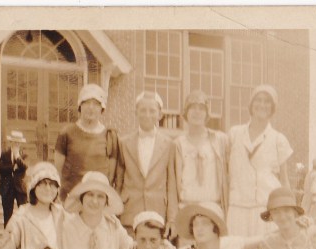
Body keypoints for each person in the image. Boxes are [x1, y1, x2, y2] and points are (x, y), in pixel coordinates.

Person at [227, 84, 293, 238]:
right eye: (258, 100)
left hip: (264, 211)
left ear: (272, 108)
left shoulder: (278, 139)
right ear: (251, 105)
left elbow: (284, 180)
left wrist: (290, 212)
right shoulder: (234, 134)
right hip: (237, 209)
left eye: (267, 101)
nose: (262, 105)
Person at [114, 91, 177, 237]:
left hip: (158, 212)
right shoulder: (124, 143)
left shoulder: (169, 144)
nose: (147, 115)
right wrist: (116, 213)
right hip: (130, 212)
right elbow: (119, 181)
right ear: (136, 113)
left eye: (152, 111)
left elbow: (171, 185)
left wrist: (172, 219)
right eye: (143, 110)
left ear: (160, 114)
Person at [172, 91, 230, 234]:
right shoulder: (178, 144)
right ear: (186, 112)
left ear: (207, 113)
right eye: (193, 107)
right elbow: (173, 184)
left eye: (201, 108)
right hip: (186, 208)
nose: (197, 112)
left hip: (213, 208)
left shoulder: (220, 140)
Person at [54, 84, 119, 201]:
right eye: (86, 103)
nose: (91, 107)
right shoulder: (66, 133)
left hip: (97, 199)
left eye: (96, 104)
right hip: (71, 197)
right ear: (80, 106)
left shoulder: (110, 135)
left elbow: (111, 175)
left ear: (102, 108)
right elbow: (58, 171)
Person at [0, 130, 29, 226]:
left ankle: (23, 235)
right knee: (7, 214)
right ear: (10, 142)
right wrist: (12, 167)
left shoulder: (25, 154)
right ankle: (8, 236)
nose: (16, 144)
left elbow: (25, 167)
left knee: (23, 212)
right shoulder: (5, 154)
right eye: (14, 142)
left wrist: (18, 157)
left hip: (20, 187)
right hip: (7, 187)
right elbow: (0, 169)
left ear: (20, 143)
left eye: (18, 142)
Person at [301, 158, 316, 226]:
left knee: (306, 213)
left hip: (306, 197)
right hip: (314, 197)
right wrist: (314, 197)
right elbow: (314, 187)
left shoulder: (309, 174)